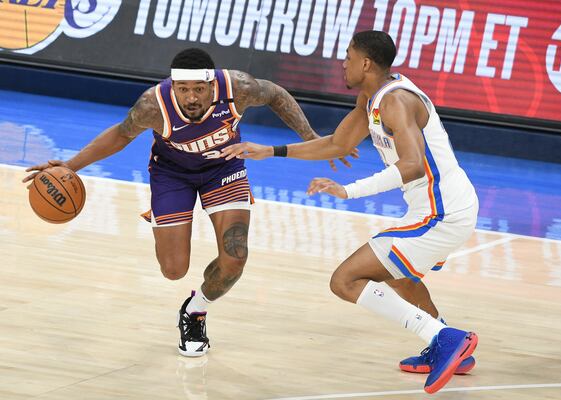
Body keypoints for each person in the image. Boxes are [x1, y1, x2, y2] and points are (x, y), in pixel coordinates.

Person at [22, 48, 354, 358]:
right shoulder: (153, 105)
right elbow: (121, 135)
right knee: (173, 269)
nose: (191, 97)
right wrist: (69, 166)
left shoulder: (238, 87)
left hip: (224, 167)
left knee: (235, 256)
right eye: (183, 89)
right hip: (172, 174)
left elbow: (276, 95)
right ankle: (163, 221)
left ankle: (196, 310)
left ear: (212, 84)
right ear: (173, 85)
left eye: (199, 89)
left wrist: (311, 137)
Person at [221, 31, 479, 394]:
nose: (343, 63)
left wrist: (349, 190)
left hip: (444, 211)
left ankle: (446, 337)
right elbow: (338, 144)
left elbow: (412, 166)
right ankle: (448, 348)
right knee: (397, 275)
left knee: (345, 280)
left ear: (366, 63)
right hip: (434, 206)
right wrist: (271, 151)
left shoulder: (397, 103)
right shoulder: (371, 98)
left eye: (348, 56)